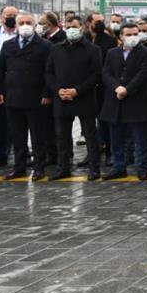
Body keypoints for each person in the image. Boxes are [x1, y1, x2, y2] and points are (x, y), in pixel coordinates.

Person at [0, 13, 53, 180]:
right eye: (22, 23)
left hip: (36, 97)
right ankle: (19, 167)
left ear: (34, 25)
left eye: (28, 22)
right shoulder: (8, 45)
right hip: (13, 96)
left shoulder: (45, 45)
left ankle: (39, 167)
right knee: (17, 135)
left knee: (38, 136)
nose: (25, 25)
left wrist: (47, 94)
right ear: (16, 26)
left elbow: (49, 72)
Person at [45, 16, 104, 180]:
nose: (71, 29)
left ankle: (94, 168)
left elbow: (96, 75)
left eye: (75, 26)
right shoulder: (56, 49)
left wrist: (77, 91)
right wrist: (57, 90)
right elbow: (49, 72)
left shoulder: (93, 49)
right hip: (61, 98)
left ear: (82, 27)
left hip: (84, 98)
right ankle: (63, 167)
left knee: (90, 135)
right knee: (62, 136)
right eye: (68, 26)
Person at [100, 23, 147, 180]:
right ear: (121, 37)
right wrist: (117, 87)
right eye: (129, 34)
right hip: (115, 101)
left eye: (135, 34)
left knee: (140, 138)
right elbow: (106, 73)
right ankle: (119, 167)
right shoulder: (112, 53)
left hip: (137, 101)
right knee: (116, 138)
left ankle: (141, 167)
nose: (132, 37)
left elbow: (145, 73)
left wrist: (127, 89)